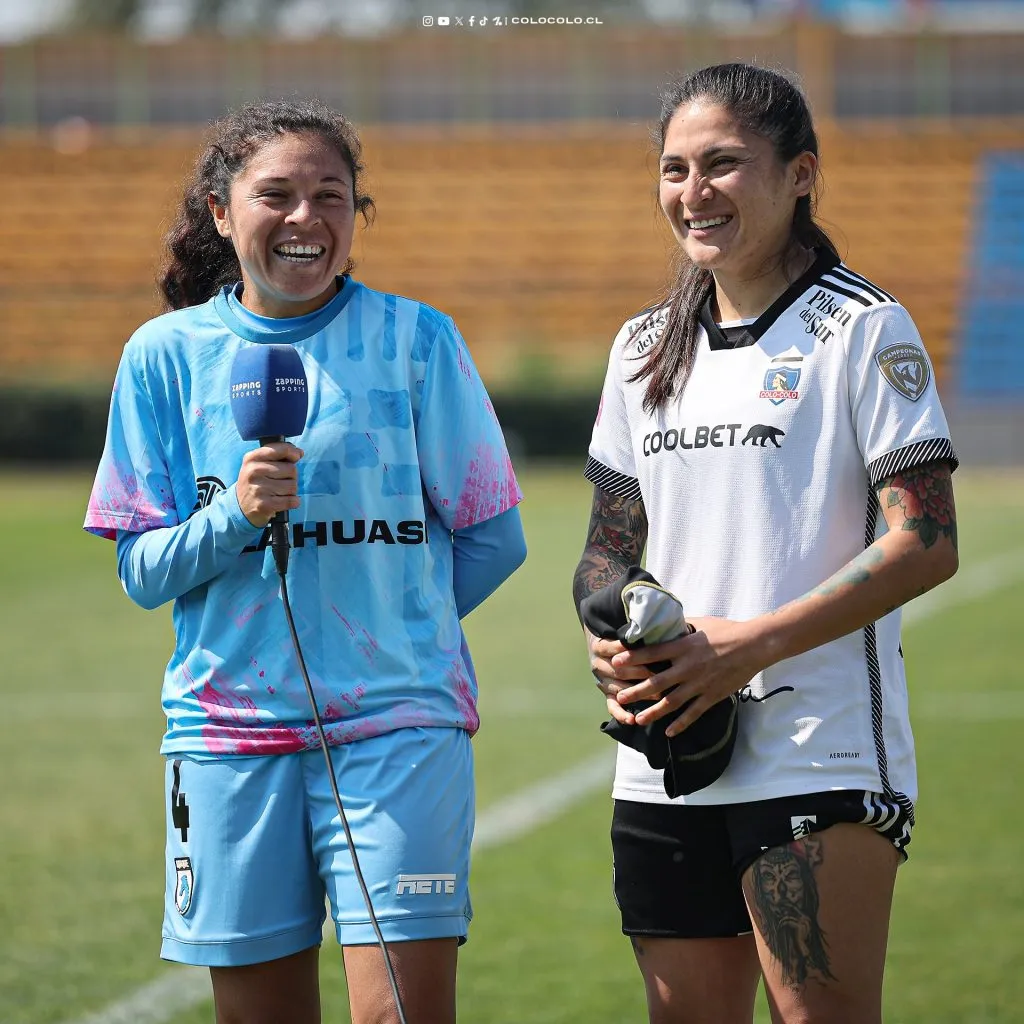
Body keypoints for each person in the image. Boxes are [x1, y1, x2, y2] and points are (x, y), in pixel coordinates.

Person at [84, 99, 525, 1024]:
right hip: (225, 737)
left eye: (331, 196)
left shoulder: (418, 341)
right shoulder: (164, 357)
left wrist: (398, 624)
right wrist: (235, 519)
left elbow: (494, 534)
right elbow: (141, 571)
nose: (304, 218)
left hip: (398, 729)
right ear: (219, 210)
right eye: (275, 194)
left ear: (357, 213)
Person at [573, 63, 958, 1024]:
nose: (693, 192)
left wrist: (751, 644)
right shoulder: (641, 349)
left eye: (724, 164)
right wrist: (611, 628)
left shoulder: (863, 330)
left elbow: (928, 539)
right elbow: (607, 551)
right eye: (674, 168)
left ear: (800, 174)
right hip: (666, 749)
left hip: (814, 753)